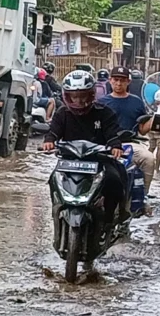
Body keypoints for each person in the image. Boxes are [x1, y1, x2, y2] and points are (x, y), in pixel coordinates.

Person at [42, 70, 130, 222]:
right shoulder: (62, 113)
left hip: (99, 160)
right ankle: (57, 210)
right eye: (74, 96)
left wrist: (115, 146)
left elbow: (112, 133)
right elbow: (53, 131)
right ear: (67, 96)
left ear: (91, 95)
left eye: (83, 96)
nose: (78, 101)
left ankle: (112, 217)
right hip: (69, 161)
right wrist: (49, 141)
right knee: (53, 180)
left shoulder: (104, 112)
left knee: (115, 179)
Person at [101, 66, 158, 194]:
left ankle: (143, 195)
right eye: (116, 79)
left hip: (130, 144)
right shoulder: (101, 103)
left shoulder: (136, 102)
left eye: (122, 80)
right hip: (106, 144)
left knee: (148, 159)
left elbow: (142, 130)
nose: (119, 83)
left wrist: (156, 118)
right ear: (110, 80)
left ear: (128, 82)